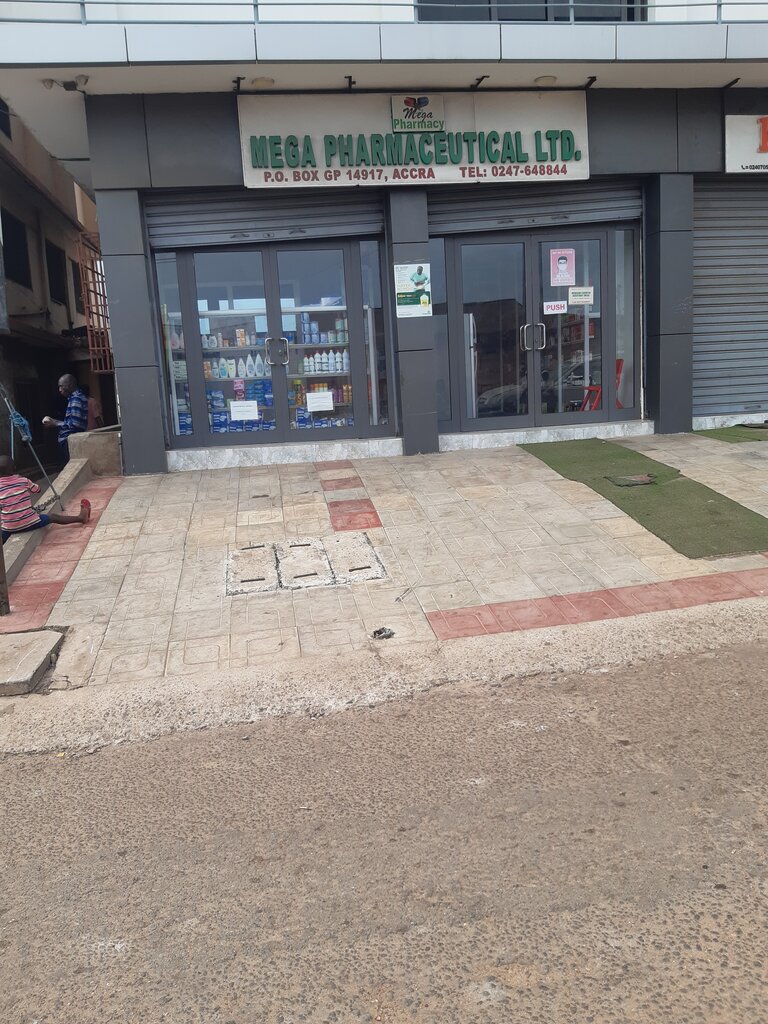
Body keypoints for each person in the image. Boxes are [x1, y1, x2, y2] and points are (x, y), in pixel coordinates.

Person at [0, 455, 90, 544]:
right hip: (30, 522)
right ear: (14, 467)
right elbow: (37, 490)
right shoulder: (23, 481)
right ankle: (81, 518)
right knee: (53, 517)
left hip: (9, 528)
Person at [43, 374, 89, 458]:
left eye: (61, 386)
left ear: (70, 385)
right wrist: (54, 421)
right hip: (71, 441)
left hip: (71, 441)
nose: (59, 390)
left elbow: (75, 424)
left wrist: (55, 423)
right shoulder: (76, 397)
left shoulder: (76, 399)